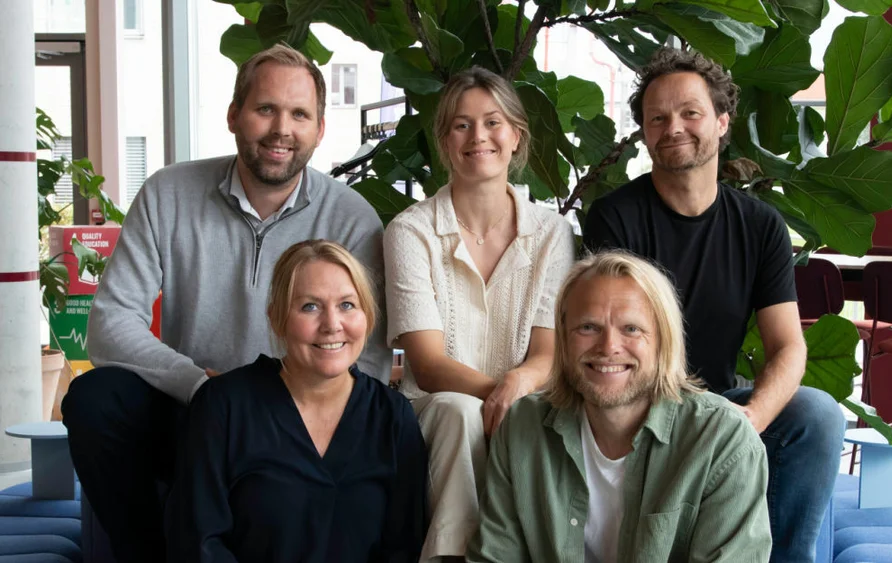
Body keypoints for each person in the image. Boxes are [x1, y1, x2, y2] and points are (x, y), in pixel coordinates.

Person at [60, 44, 391, 562]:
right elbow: (109, 325)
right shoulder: (168, 193)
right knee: (94, 399)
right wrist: (198, 385)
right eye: (266, 109)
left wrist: (280, 407)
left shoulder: (351, 218)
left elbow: (365, 354)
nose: (282, 129)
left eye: (299, 114)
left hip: (296, 419)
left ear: (320, 129)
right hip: (192, 406)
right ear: (234, 114)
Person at [582, 47, 844, 562]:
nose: (673, 126)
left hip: (721, 405)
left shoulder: (760, 225)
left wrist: (749, 419)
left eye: (690, 113)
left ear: (722, 122)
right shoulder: (615, 219)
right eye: (657, 118)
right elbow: (615, 344)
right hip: (637, 403)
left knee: (817, 415)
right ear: (644, 132)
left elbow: (788, 347)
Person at [383, 67, 575, 562]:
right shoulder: (411, 231)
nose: (478, 137)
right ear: (445, 142)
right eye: (461, 125)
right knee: (460, 410)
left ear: (516, 135)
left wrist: (516, 388)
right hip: (435, 411)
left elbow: (548, 353)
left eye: (492, 122)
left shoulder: (553, 233)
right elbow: (426, 365)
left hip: (524, 399)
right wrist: (501, 394)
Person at [467, 251, 771, 562]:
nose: (609, 346)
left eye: (631, 329)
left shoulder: (722, 440)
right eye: (588, 327)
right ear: (563, 339)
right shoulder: (523, 425)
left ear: (663, 340)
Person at [165, 240, 427, 562]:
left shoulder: (393, 417)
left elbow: (403, 547)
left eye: (347, 305)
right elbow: (198, 542)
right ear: (277, 319)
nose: (332, 324)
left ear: (367, 317)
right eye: (310, 307)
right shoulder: (223, 406)